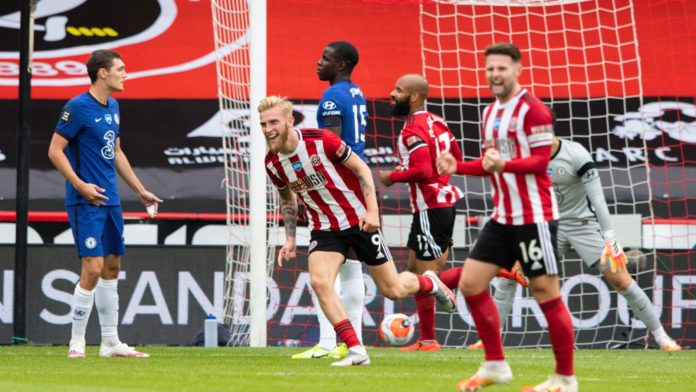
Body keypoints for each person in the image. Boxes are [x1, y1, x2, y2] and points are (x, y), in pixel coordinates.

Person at [260, 96, 455, 367]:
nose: (268, 129)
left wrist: (373, 212)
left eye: (273, 122)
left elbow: (362, 169)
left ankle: (430, 282)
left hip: (358, 221)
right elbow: (287, 200)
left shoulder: (322, 140)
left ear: (289, 121)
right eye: (263, 124)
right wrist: (290, 239)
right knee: (320, 283)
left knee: (393, 289)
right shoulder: (272, 164)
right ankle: (356, 350)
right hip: (324, 229)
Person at [437, 43, 577, 392]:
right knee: (471, 283)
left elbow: (541, 163)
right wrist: (460, 167)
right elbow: (491, 166)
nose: (495, 75)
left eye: (501, 68)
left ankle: (565, 379)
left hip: (535, 217)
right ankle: (496, 365)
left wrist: (504, 164)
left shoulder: (534, 111)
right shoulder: (490, 113)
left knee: (546, 293)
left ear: (517, 69)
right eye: (490, 69)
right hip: (503, 218)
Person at [477, 131, 682, 351]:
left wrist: (610, 237)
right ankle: (489, 339)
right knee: (511, 274)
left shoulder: (575, 154)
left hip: (582, 226)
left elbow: (597, 198)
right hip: (547, 228)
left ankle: (663, 339)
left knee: (621, 281)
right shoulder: (524, 157)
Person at [48, 49, 162, 358]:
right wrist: (80, 184)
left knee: (112, 265)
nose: (126, 74)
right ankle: (77, 342)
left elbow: (118, 151)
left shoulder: (113, 105)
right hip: (86, 201)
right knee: (93, 269)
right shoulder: (77, 107)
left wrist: (139, 190)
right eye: (121, 69)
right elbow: (55, 151)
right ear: (102, 73)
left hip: (111, 200)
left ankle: (110, 342)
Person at [292, 41, 368, 360]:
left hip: (338, 188)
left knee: (324, 267)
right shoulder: (355, 92)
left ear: (339, 65)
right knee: (351, 264)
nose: (317, 63)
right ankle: (354, 341)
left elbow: (330, 146)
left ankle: (327, 342)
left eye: (324, 59)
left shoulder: (331, 97)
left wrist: (312, 189)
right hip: (358, 184)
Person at [377, 74, 463, 352]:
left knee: (428, 277)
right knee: (416, 272)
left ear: (414, 96)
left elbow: (424, 171)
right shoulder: (437, 121)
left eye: (398, 90)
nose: (392, 94)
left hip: (431, 207)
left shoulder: (412, 129)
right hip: (438, 205)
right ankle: (428, 340)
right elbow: (457, 158)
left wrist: (393, 176)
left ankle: (495, 269)